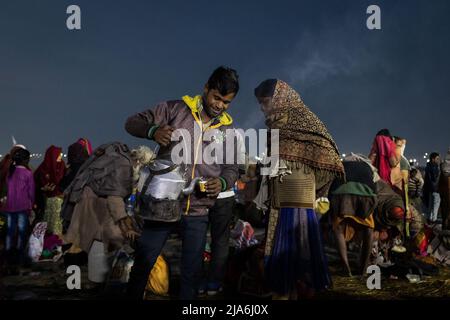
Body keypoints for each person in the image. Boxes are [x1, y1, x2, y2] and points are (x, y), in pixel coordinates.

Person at [125, 66, 240, 300]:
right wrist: (152, 130)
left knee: (191, 271)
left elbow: (232, 168)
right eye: (217, 97)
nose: (220, 105)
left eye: (226, 102)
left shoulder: (228, 129)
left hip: (198, 209)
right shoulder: (175, 109)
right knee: (145, 260)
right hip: (161, 205)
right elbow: (131, 122)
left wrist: (222, 183)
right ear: (206, 88)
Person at [254, 79, 344, 299]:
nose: (262, 108)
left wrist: (308, 182)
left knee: (290, 246)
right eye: (260, 104)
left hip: (295, 197)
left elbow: (330, 155)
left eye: (265, 102)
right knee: (291, 247)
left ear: (279, 99)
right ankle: (289, 290)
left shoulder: (300, 119)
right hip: (284, 195)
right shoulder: (277, 123)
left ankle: (286, 290)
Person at [63, 144, 152, 273]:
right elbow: (115, 197)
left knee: (87, 238)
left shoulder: (123, 160)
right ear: (139, 161)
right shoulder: (124, 166)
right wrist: (124, 222)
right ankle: (73, 278)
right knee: (83, 239)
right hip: (91, 200)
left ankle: (77, 274)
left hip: (93, 197)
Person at [0, 148, 34, 270]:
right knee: (21, 233)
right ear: (26, 160)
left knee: (10, 233)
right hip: (22, 207)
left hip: (9, 207)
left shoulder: (10, 172)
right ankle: (19, 257)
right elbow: (31, 193)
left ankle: (8, 256)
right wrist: (31, 206)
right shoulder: (28, 173)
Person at [34, 146, 66, 236]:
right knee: (46, 226)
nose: (60, 157)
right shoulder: (43, 168)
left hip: (59, 201)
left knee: (57, 226)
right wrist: (43, 189)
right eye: (58, 155)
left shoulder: (62, 166)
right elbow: (35, 184)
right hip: (45, 201)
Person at [423, 152, 441, 224]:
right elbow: (434, 178)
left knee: (430, 205)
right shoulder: (434, 166)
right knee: (436, 205)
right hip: (435, 189)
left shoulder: (427, 166)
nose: (438, 160)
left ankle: (429, 219)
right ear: (433, 159)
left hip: (429, 189)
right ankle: (434, 220)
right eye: (437, 158)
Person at [439, 148, 450, 230]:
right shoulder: (446, 164)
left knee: (445, 215)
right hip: (447, 194)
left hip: (444, 194)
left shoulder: (444, 163)